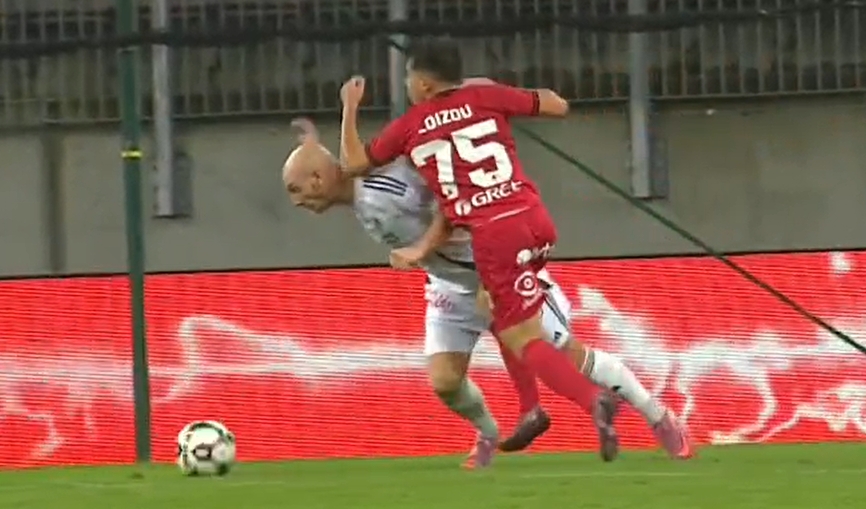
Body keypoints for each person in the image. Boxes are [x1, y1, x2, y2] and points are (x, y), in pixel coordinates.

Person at [335, 40, 692, 459]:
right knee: (504, 317)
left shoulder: (410, 126)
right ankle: (544, 410)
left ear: (425, 84)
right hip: (534, 221)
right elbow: (557, 104)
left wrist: (350, 107)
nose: (408, 87)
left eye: (409, 80)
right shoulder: (485, 96)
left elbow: (353, 163)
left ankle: (601, 402)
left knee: (536, 343)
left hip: (496, 240)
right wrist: (486, 94)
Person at [283, 117, 681, 465]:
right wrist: (317, 135)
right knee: (444, 381)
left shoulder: (390, 186)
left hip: (497, 271)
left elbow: (451, 203)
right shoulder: (358, 190)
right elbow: (344, 160)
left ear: (318, 179)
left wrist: (422, 248)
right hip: (450, 285)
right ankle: (490, 433)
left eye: (295, 190)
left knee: (571, 357)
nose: (296, 202)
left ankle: (659, 417)